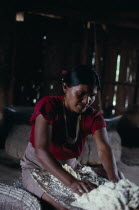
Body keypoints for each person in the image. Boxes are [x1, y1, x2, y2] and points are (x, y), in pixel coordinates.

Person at [20, 65, 123, 210]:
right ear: (65, 87)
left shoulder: (93, 116)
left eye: (92, 95)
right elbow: (41, 151)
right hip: (38, 169)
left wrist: (115, 182)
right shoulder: (48, 106)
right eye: (81, 93)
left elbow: (103, 148)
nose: (87, 100)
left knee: (116, 179)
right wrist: (72, 182)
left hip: (71, 168)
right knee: (67, 207)